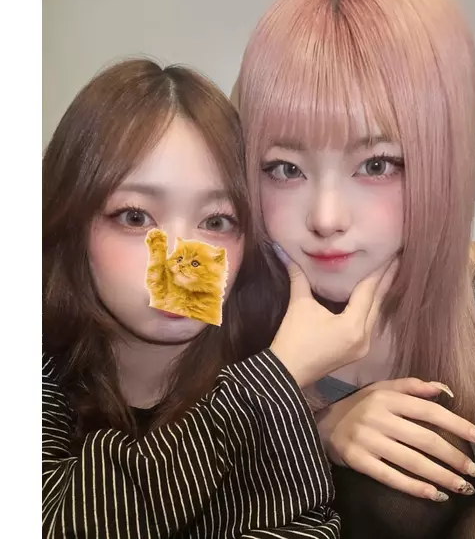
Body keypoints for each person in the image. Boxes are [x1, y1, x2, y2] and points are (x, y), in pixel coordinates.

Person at [42, 58, 395, 538]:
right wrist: (275, 379)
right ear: (73, 225)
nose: (181, 264)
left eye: (216, 221)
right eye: (135, 217)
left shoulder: (260, 362)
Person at [233, 0, 475, 536]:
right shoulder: (221, 319)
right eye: (285, 169)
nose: (326, 218)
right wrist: (311, 429)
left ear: (441, 159)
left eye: (377, 164)